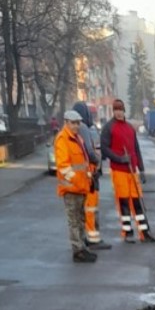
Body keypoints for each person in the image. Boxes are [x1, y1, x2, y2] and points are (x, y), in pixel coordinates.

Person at [99, 99, 149, 242]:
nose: (119, 112)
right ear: (113, 111)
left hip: (132, 170)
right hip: (119, 170)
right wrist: (120, 158)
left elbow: (136, 149)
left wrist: (142, 169)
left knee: (137, 200)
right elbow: (105, 149)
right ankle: (127, 232)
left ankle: (144, 232)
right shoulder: (109, 128)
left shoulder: (130, 128)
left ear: (124, 111)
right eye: (116, 110)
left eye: (121, 109)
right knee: (124, 202)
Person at [54, 110, 96, 263]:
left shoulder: (77, 138)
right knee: (74, 220)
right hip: (71, 189)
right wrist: (77, 181)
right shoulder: (62, 139)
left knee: (80, 219)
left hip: (81, 187)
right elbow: (63, 167)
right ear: (66, 123)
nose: (77, 126)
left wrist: (89, 178)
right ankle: (78, 250)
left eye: (78, 123)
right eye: (73, 123)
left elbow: (83, 163)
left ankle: (82, 247)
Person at [72, 101, 110, 250]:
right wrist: (98, 160)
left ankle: (87, 238)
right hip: (90, 176)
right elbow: (89, 150)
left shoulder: (73, 129)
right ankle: (93, 239)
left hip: (82, 177)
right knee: (91, 208)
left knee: (85, 210)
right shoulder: (83, 128)